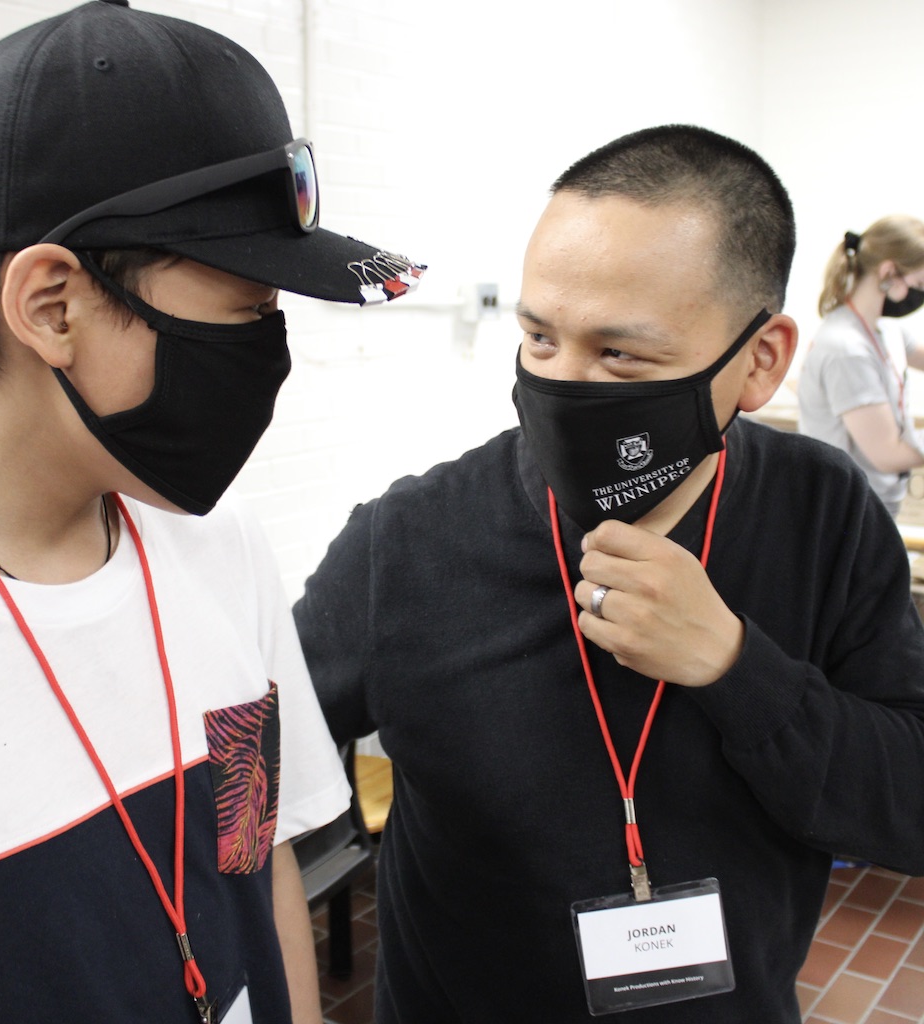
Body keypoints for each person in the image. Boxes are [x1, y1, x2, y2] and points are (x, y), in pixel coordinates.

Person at [294, 125, 924, 1023]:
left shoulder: (824, 518)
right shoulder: (409, 540)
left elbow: (907, 804)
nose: (565, 383)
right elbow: (245, 767)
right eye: (541, 339)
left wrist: (737, 668)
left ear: (761, 360)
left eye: (621, 354)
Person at [0, 2, 423, 1022]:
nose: (269, 360)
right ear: (52, 303)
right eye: (247, 312)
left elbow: (250, 850)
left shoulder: (218, 548)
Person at [798, 217, 924, 516]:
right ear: (889, 271)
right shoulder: (846, 348)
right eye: (919, 284)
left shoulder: (886, 332)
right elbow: (888, 455)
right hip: (847, 512)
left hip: (878, 504)